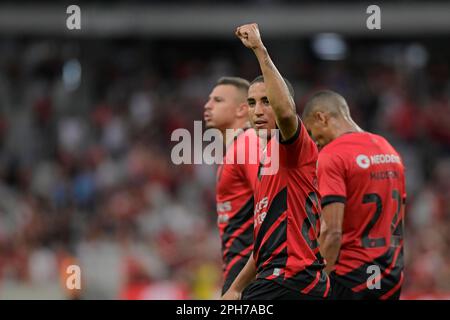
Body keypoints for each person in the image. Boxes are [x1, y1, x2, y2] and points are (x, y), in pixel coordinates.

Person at [222, 23, 329, 300]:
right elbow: (262, 248)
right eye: (252, 102)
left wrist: (259, 49)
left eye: (266, 101)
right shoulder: (265, 164)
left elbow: (285, 112)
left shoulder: (294, 145)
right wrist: (235, 287)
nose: (258, 111)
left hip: (289, 281)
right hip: (280, 280)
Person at [302, 90, 406, 300]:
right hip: (391, 276)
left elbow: (332, 233)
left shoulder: (332, 155)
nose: (316, 144)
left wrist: (315, 284)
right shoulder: (389, 150)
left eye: (312, 133)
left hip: (351, 277)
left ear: (321, 117)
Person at [204, 76, 259, 295]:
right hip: (240, 269)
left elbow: (270, 204)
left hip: (249, 272)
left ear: (241, 110)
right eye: (209, 99)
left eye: (217, 100)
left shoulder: (248, 143)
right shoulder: (235, 148)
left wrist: (238, 285)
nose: (207, 105)